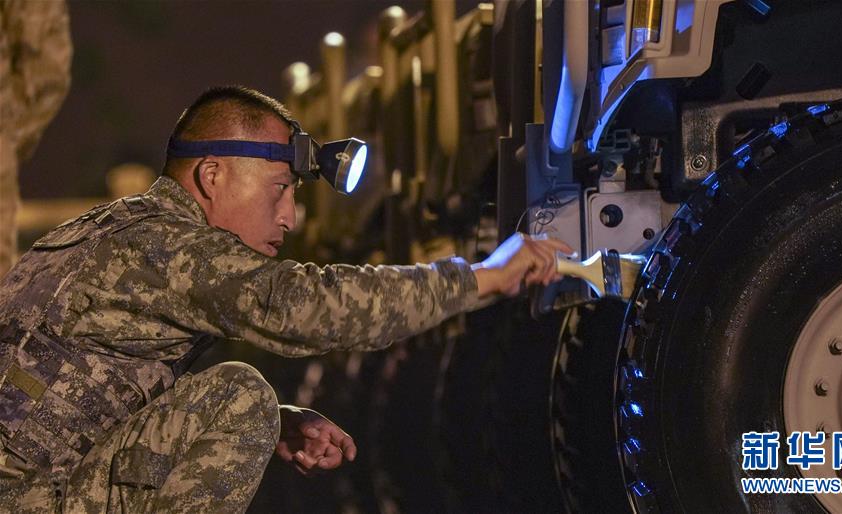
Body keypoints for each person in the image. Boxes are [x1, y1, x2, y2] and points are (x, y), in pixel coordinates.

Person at [0, 85, 571, 513]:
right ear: (212, 175)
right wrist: (482, 277)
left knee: (251, 404)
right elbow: (309, 308)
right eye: (279, 190)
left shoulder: (114, 231)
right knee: (240, 393)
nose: (290, 217)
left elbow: (89, 388)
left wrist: (277, 422)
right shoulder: (170, 248)